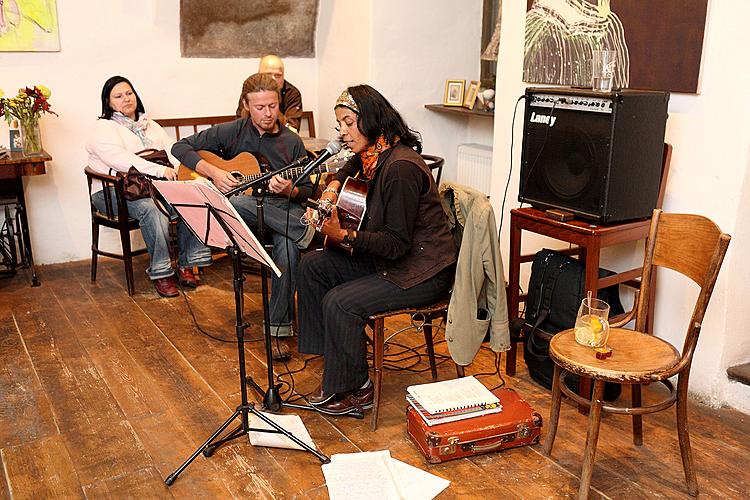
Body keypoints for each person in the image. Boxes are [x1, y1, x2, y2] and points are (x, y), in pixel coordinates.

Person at [297, 85, 457, 415]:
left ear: (369, 120)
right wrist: (330, 191)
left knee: (340, 303)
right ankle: (335, 362)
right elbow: (348, 166)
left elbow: (397, 245)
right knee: (312, 266)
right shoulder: (373, 155)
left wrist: (343, 234)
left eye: (348, 123)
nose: (342, 132)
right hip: (390, 261)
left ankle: (358, 389)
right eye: (339, 124)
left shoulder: (400, 169)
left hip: (420, 271)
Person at [173, 72, 314, 343]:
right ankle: (304, 231)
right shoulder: (233, 131)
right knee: (235, 200)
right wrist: (214, 172)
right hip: (246, 217)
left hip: (282, 212)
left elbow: (307, 190)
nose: (268, 113)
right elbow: (180, 147)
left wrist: (289, 189)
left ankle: (277, 328)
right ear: (247, 105)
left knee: (287, 246)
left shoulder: (292, 142)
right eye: (260, 107)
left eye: (273, 106)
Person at [86, 75, 212, 298]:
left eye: (129, 93)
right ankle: (162, 273)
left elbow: (172, 151)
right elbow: (120, 159)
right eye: (118, 96)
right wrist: (160, 171)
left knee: (192, 199)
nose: (126, 99)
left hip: (149, 187)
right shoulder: (103, 127)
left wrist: (189, 174)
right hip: (111, 191)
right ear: (108, 102)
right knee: (151, 210)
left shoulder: (150, 125)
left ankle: (186, 264)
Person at [236, 55, 303, 131]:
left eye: (278, 75)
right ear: (259, 74)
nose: (273, 79)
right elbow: (240, 126)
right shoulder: (251, 91)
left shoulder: (292, 93)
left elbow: (292, 129)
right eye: (267, 75)